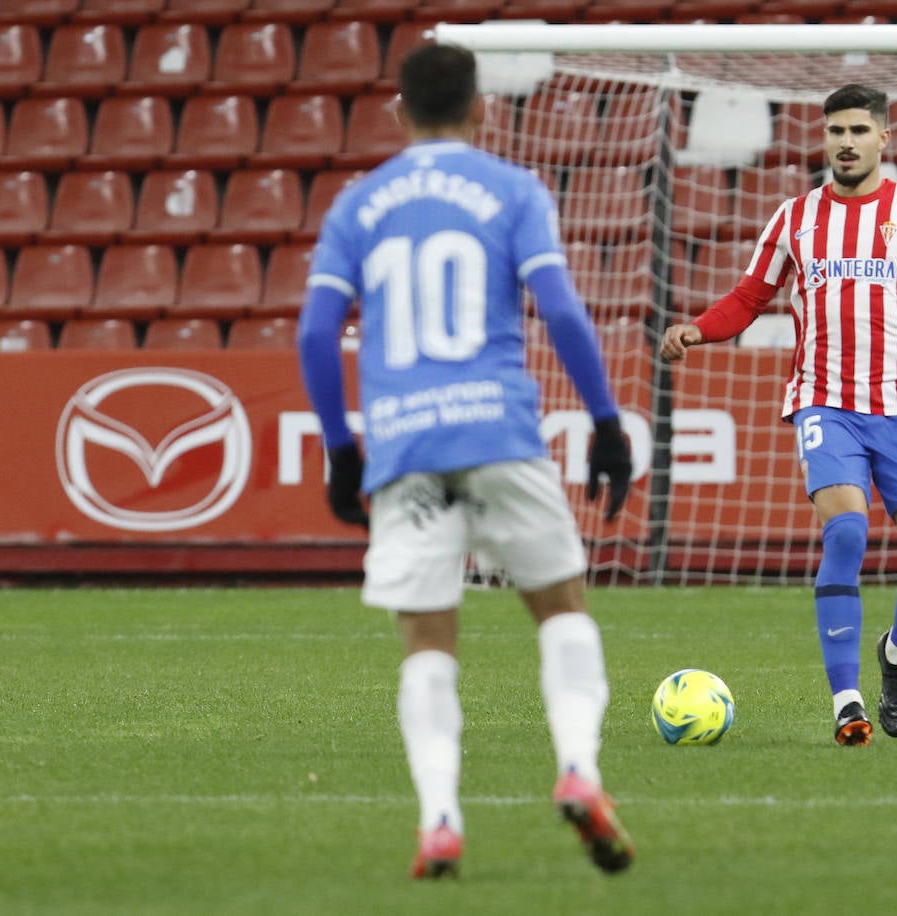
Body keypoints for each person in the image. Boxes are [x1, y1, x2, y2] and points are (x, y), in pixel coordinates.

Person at [297, 44, 635, 878]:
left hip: (407, 444)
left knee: (426, 640)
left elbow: (312, 332)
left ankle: (440, 818)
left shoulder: (358, 204)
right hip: (500, 433)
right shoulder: (512, 190)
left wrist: (342, 450)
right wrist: (605, 422)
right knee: (561, 608)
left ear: (397, 110)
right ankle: (580, 771)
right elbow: (558, 306)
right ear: (482, 107)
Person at [660, 84, 897, 747]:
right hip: (825, 403)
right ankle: (846, 702)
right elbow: (751, 295)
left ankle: (896, 654)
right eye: (835, 130)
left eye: (859, 130)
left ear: (883, 138)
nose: (845, 141)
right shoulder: (795, 219)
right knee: (846, 535)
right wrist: (698, 328)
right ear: (823, 137)